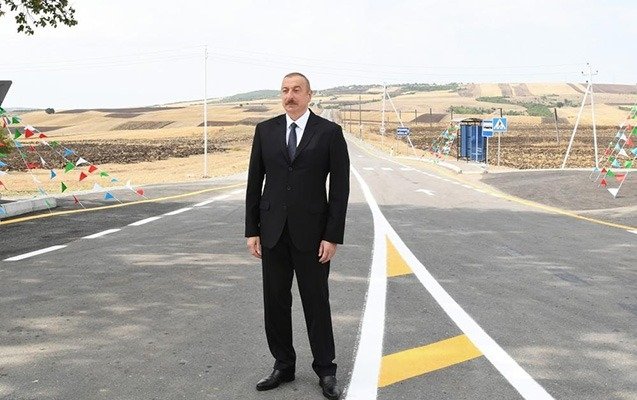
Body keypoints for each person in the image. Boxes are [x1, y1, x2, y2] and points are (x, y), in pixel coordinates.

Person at [245, 72, 350, 400]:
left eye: (296, 90)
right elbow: (254, 182)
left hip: (313, 236)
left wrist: (332, 236)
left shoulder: (329, 133)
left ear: (309, 95)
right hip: (272, 232)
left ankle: (326, 370)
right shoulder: (265, 131)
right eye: (285, 90)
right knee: (275, 302)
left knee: (316, 303)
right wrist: (252, 230)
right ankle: (283, 364)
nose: (289, 96)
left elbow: (340, 189)